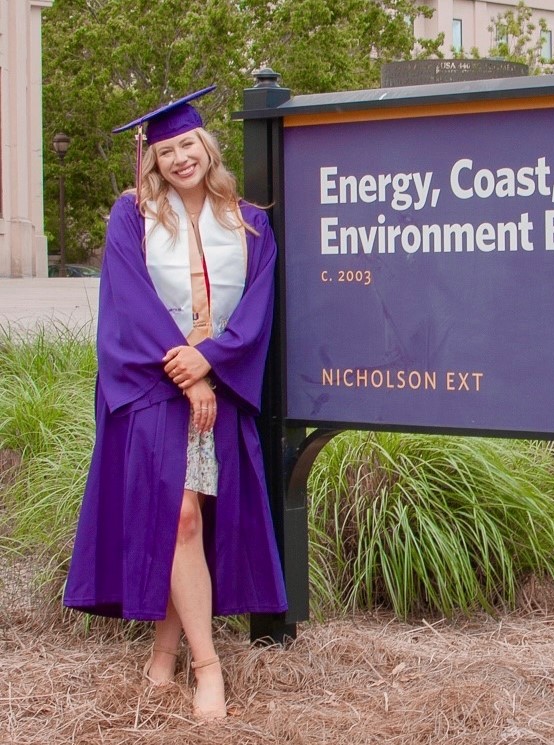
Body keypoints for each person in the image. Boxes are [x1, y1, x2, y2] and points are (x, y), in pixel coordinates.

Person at [63, 86, 287, 721]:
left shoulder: (249, 221)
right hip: (155, 384)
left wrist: (212, 362)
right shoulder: (132, 215)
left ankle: (163, 658)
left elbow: (257, 308)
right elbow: (128, 302)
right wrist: (186, 372)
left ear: (206, 146)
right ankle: (208, 666)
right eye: (166, 151)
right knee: (181, 516)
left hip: (219, 383)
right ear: (152, 161)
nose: (179, 158)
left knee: (187, 523)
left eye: (187, 144)